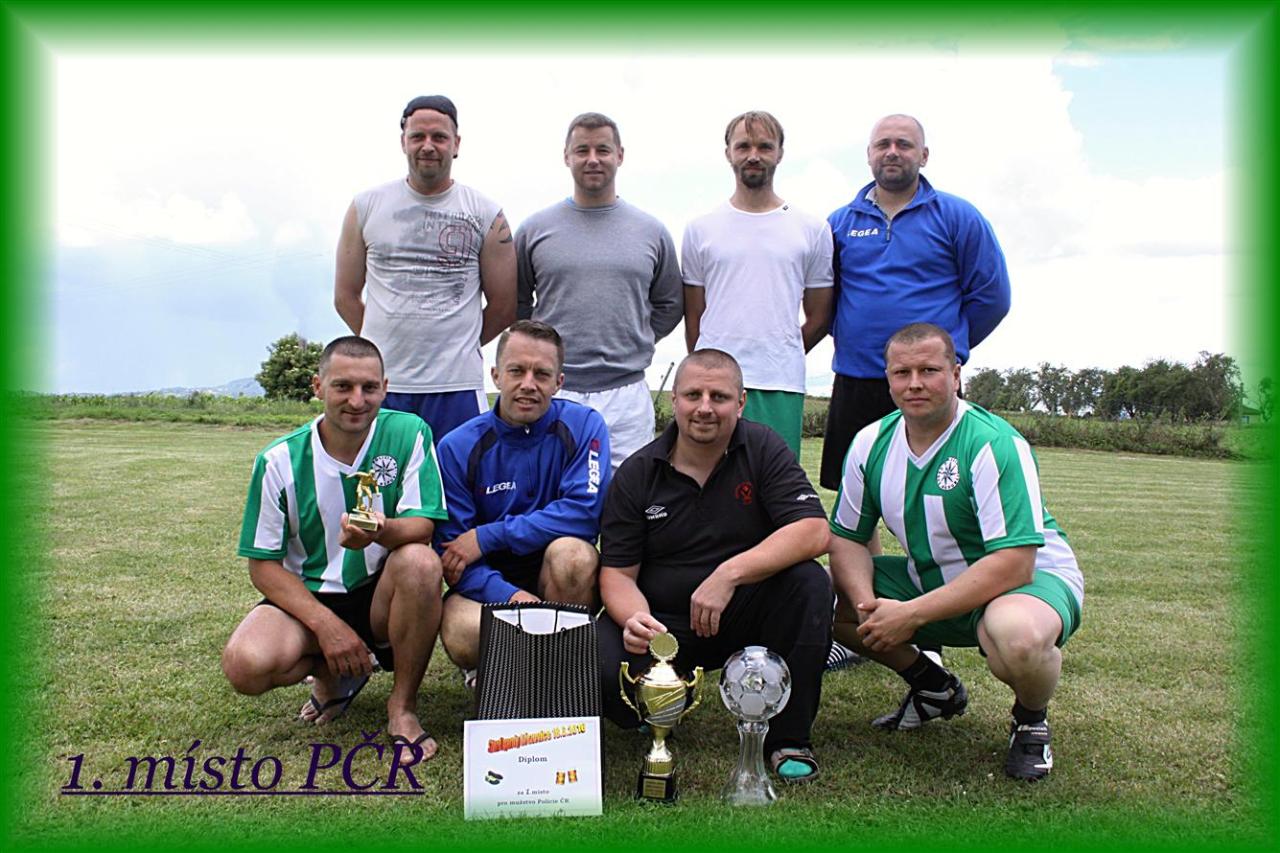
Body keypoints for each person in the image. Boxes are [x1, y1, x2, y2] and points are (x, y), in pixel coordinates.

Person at [828, 323, 1083, 781]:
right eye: (902, 372)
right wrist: (869, 608)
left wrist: (910, 614)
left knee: (1016, 637)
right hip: (932, 578)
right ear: (888, 379)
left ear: (956, 374)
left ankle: (1030, 719)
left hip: (1024, 582)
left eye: (929, 370)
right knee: (815, 596)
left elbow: (1015, 563)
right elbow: (847, 537)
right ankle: (933, 687)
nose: (915, 383)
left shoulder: (993, 442)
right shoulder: (870, 443)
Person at [598, 349, 832, 782]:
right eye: (693, 395)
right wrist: (636, 619)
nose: (705, 407)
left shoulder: (763, 447)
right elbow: (617, 574)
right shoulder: (637, 472)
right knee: (601, 665)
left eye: (719, 397)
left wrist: (728, 574)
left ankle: (788, 738)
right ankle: (666, 703)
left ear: (740, 403)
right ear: (674, 399)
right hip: (665, 625)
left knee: (810, 583)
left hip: (745, 614)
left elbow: (814, 531)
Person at [222, 336, 448, 764]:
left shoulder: (409, 433)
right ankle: (333, 675)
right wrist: (327, 626)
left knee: (421, 562)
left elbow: (423, 525)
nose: (357, 400)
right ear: (318, 386)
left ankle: (402, 707)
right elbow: (263, 566)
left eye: (369, 387)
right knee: (244, 665)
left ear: (385, 387)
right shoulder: (278, 461)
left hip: (380, 596)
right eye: (343, 386)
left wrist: (379, 531)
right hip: (310, 599)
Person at [820, 113, 1011, 491]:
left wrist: (942, 351)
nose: (892, 152)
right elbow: (824, 299)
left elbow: (992, 298)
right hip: (857, 379)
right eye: (883, 144)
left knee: (942, 490)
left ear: (923, 155)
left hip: (929, 383)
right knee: (853, 492)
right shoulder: (839, 223)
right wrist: (853, 335)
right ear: (869, 155)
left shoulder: (958, 217)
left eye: (904, 145)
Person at [334, 94, 517, 445]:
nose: (428, 146)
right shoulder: (366, 206)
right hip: (384, 385)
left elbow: (504, 306)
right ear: (403, 142)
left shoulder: (486, 213)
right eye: (418, 136)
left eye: (439, 137)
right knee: (377, 478)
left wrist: (456, 344)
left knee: (456, 478)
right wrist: (383, 343)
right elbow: (345, 297)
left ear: (456, 144)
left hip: (457, 387)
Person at [435, 320, 610, 677]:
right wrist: (511, 597)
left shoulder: (585, 425)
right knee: (464, 632)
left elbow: (584, 512)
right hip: (489, 586)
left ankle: (562, 671)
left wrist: (488, 536)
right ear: (496, 375)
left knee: (575, 556)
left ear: (559, 382)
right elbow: (454, 556)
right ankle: (505, 671)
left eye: (541, 374)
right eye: (517, 371)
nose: (528, 384)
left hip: (556, 575)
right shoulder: (457, 446)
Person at [516, 112, 683, 470]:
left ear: (619, 155)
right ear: (567, 156)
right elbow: (517, 303)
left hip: (627, 395)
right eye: (582, 150)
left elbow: (670, 304)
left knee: (628, 493)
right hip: (555, 390)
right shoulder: (534, 230)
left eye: (603, 150)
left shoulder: (651, 231)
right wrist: (544, 350)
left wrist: (634, 335)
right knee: (550, 488)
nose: (593, 159)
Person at [681, 110, 833, 458]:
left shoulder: (811, 229)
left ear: (779, 153)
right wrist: (710, 368)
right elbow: (694, 315)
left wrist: (780, 350)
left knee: (774, 483)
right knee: (707, 480)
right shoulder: (700, 228)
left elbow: (820, 316)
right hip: (713, 384)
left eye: (764, 146)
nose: (753, 155)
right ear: (728, 153)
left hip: (780, 383)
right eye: (743, 146)